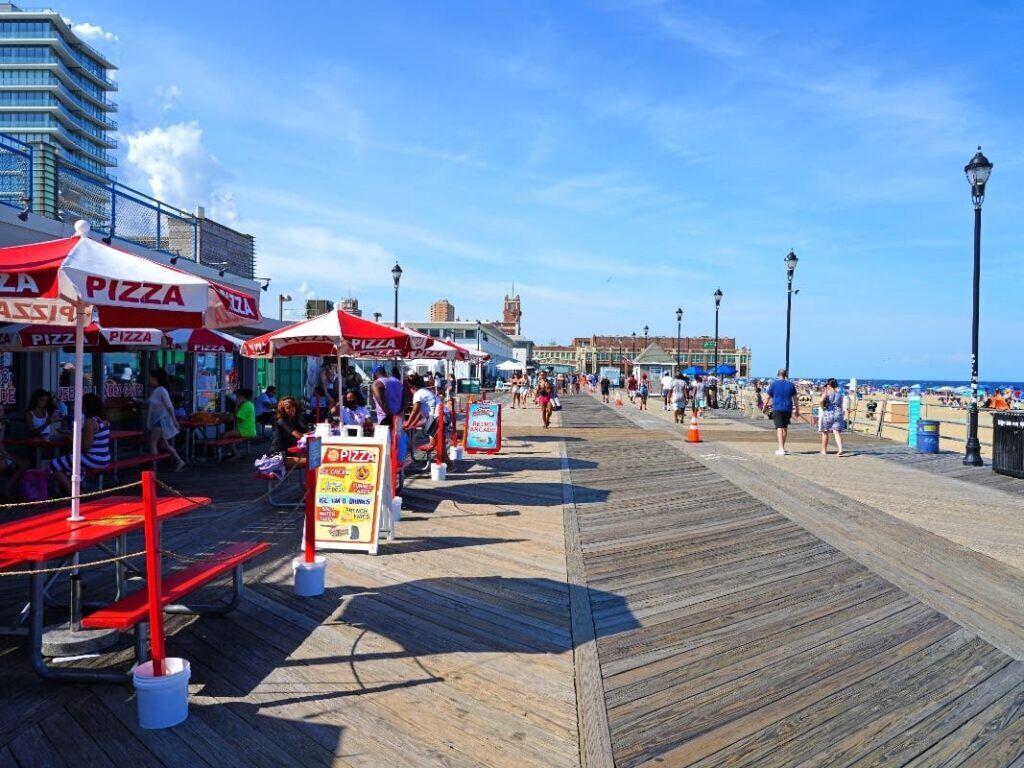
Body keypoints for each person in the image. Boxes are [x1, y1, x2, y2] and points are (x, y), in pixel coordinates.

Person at [50, 393, 109, 493]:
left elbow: (85, 446)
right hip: (104, 458)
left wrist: (70, 437)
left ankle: (73, 492)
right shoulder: (102, 420)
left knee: (54, 464)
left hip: (94, 459)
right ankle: (76, 488)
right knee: (71, 458)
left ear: (86, 406)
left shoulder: (90, 422)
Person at [147, 369, 186, 471]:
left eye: (150, 378)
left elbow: (170, 406)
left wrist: (174, 421)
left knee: (153, 442)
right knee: (164, 444)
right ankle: (179, 461)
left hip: (160, 420)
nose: (149, 380)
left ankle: (153, 467)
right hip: (159, 420)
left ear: (155, 378)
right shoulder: (158, 390)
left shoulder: (161, 390)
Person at [765, 368, 800, 455]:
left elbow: (768, 397)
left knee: (779, 428)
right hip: (788, 408)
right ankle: (782, 447)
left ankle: (781, 448)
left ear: (778, 375)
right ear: (786, 375)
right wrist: (797, 410)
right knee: (784, 428)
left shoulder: (774, 384)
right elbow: (795, 399)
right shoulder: (791, 385)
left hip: (777, 408)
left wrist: (764, 406)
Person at [0, 405, 27, 498]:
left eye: (2, 410)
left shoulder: (3, 423)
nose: (1, 412)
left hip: (3, 452)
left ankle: (7, 488)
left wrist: (6, 455)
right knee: (2, 465)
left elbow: (1, 442)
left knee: (26, 463)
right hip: (2, 454)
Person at [270, 398, 307, 466]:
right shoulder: (281, 421)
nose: (292, 409)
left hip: (289, 452)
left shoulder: (295, 420)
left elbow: (306, 432)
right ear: (283, 410)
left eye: (293, 407)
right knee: (311, 460)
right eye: (288, 408)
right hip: (278, 455)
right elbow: (299, 435)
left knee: (313, 458)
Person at [221, 388, 256, 458]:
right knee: (229, 435)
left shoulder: (245, 406)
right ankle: (233, 452)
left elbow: (238, 418)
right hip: (249, 430)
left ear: (241, 397)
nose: (236, 398)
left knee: (225, 435)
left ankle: (236, 454)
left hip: (245, 430)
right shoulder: (249, 404)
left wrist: (236, 406)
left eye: (237, 396)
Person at [818, 378, 847, 456]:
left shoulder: (827, 392)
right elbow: (840, 406)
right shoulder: (839, 394)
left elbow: (821, 400)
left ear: (829, 385)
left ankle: (824, 450)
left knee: (825, 432)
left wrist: (823, 407)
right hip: (838, 414)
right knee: (837, 432)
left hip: (828, 413)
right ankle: (840, 449)